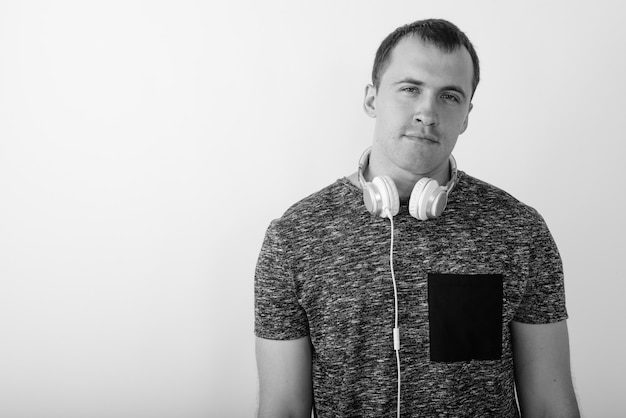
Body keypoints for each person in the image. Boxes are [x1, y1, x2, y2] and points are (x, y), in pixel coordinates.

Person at [254, 18, 580, 417]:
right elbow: (283, 407)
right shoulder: (294, 237)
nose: (427, 112)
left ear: (466, 115)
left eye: (450, 96)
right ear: (372, 99)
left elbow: (549, 404)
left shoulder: (521, 231)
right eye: (410, 89)